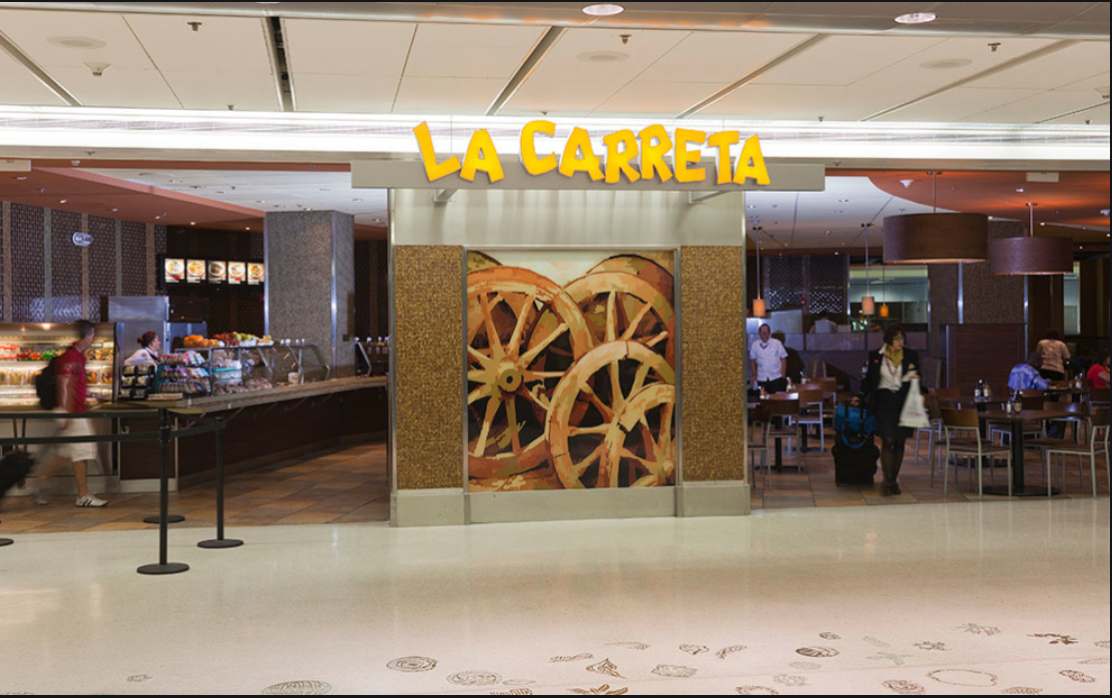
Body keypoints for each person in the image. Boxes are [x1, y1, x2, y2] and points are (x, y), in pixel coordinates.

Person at [31, 320, 107, 507]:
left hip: (75, 410)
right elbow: (64, 384)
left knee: (65, 454)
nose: (93, 338)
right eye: (92, 335)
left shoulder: (78, 356)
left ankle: (39, 483)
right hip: (73, 412)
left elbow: (77, 384)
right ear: (87, 335)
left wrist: (93, 395)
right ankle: (83, 495)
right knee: (82, 451)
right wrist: (65, 412)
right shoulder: (71, 356)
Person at [861, 324, 921, 496]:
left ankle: (893, 480)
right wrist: (860, 394)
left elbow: (918, 377)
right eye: (896, 339)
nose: (900, 342)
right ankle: (887, 480)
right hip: (884, 401)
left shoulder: (910, 355)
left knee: (900, 441)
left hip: (904, 401)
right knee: (887, 440)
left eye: (902, 338)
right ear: (888, 340)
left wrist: (914, 379)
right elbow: (870, 379)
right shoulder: (876, 356)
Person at [750, 324, 788, 394]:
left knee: (777, 398)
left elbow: (783, 358)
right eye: (762, 330)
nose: (764, 332)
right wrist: (753, 375)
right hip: (761, 378)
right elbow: (753, 361)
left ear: (769, 332)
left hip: (776, 377)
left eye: (766, 330)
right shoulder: (755, 345)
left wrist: (783, 373)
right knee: (763, 398)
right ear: (759, 333)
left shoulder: (777, 343)